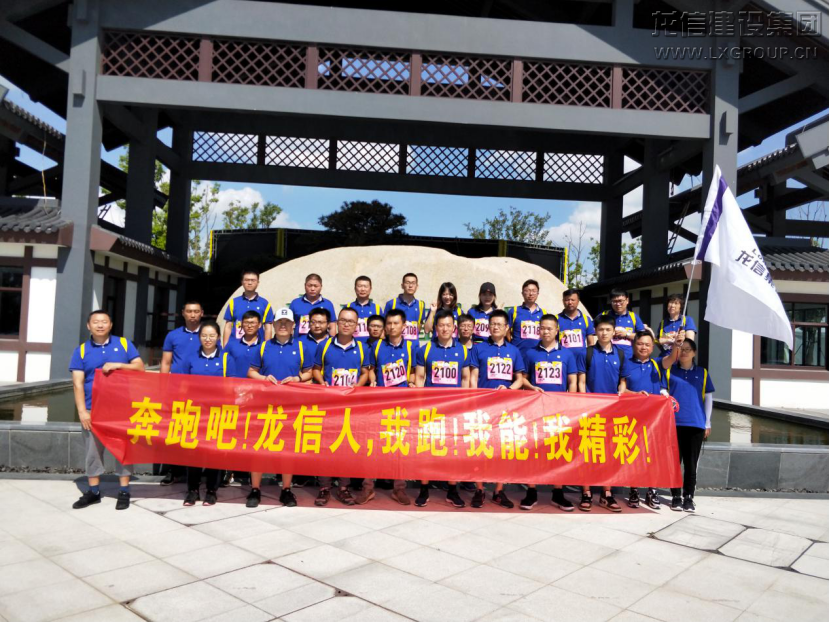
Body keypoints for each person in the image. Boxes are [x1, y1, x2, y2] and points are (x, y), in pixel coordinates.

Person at [70, 310, 144, 511]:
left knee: (123, 450)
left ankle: (124, 491)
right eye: (96, 322)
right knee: (92, 451)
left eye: (104, 321)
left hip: (122, 408)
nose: (100, 325)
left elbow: (140, 367)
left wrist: (118, 365)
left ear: (111, 325)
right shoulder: (81, 350)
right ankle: (93, 492)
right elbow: (77, 383)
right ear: (89, 326)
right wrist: (82, 411)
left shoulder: (124, 344)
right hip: (93, 409)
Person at [247, 308, 312, 508]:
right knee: (259, 447)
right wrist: (264, 378)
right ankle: (255, 489)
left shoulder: (301, 347)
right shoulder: (263, 346)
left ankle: (286, 489)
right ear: (273, 325)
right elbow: (251, 371)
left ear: (293, 326)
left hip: (291, 407)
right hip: (264, 406)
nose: (283, 325)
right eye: (279, 322)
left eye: (287, 322)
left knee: (287, 449)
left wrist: (297, 378)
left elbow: (309, 373)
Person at [520, 314, 580, 511]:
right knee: (534, 449)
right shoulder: (530, 353)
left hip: (559, 410)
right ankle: (531, 490)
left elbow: (572, 382)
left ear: (557, 330)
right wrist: (532, 388)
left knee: (559, 450)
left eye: (549, 328)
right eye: (542, 328)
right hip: (536, 410)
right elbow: (523, 379)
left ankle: (558, 491)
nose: (545, 332)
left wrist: (570, 404)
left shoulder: (567, 355)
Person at [312, 307, 371, 506]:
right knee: (326, 446)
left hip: (351, 407)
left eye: (351, 321)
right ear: (337, 323)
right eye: (343, 320)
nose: (346, 324)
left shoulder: (363, 348)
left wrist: (357, 387)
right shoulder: (324, 345)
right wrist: (322, 382)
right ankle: (324, 487)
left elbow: (365, 372)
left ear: (356, 326)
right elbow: (316, 369)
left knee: (346, 446)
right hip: (329, 406)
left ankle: (344, 487)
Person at [619, 329, 684, 509]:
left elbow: (672, 358)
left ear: (652, 347)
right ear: (634, 345)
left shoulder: (657, 364)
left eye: (647, 344)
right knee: (633, 454)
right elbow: (621, 390)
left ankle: (651, 490)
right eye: (640, 344)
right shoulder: (626, 364)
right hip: (632, 417)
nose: (644, 347)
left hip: (654, 420)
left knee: (653, 455)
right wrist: (636, 394)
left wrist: (677, 345)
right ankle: (633, 490)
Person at [413, 309, 471, 509]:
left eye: (448, 325)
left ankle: (452, 489)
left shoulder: (463, 350)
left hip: (454, 410)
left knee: (453, 450)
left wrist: (464, 405)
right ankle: (424, 488)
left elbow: (465, 379)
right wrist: (420, 404)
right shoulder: (425, 350)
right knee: (427, 449)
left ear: (454, 328)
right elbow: (420, 378)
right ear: (435, 328)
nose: (445, 329)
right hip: (431, 408)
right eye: (441, 325)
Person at [357, 309, 415, 506]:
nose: (392, 327)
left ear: (404, 326)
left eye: (396, 323)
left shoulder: (411, 347)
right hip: (379, 405)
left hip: (402, 406)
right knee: (373, 446)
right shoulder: (376, 346)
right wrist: (373, 381)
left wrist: (412, 382)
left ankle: (399, 488)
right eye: (389, 323)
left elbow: (413, 372)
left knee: (399, 447)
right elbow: (371, 369)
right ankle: (368, 488)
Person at [469, 310, 525, 509]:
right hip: (483, 407)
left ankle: (499, 490)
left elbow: (520, 379)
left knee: (502, 448)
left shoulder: (514, 351)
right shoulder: (478, 348)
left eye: (500, 324)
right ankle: (479, 489)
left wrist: (508, 390)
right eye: (492, 324)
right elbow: (473, 377)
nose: (495, 327)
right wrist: (476, 399)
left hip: (505, 407)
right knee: (480, 448)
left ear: (507, 327)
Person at [181, 321, 236, 507]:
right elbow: (183, 384)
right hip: (195, 413)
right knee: (193, 452)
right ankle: (192, 490)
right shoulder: (191, 358)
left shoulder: (227, 359)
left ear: (218, 337)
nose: (208, 339)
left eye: (212, 335)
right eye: (204, 335)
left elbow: (232, 387)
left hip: (217, 413)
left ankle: (212, 490)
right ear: (199, 337)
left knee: (214, 453)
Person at [577, 314, 625, 513]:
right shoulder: (586, 353)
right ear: (595, 332)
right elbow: (581, 382)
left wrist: (621, 392)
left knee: (609, 454)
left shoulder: (620, 354)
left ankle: (607, 493)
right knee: (587, 454)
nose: (604, 333)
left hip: (612, 412)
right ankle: (586, 492)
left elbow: (622, 381)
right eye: (601, 329)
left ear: (613, 332)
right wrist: (584, 405)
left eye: (608, 329)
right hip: (590, 411)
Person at [665, 338, 714, 513]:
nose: (684, 352)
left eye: (688, 349)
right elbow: (664, 394)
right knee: (674, 463)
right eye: (681, 349)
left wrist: (707, 422)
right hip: (673, 424)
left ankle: (689, 497)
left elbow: (708, 398)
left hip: (696, 424)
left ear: (694, 353)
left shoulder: (702, 373)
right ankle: (676, 496)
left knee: (691, 464)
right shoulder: (670, 371)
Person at [158, 300, 203, 486]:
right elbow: (166, 362)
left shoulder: (208, 334)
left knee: (199, 432)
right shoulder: (173, 335)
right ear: (183, 313)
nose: (192, 315)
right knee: (175, 431)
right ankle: (173, 470)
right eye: (189, 311)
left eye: (196, 311)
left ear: (202, 313)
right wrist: (162, 387)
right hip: (177, 391)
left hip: (201, 392)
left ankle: (199, 470)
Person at [222, 270, 274, 346]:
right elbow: (228, 326)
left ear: (258, 283)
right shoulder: (233, 302)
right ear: (242, 282)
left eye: (253, 280)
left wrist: (267, 347)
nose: (250, 283)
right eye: (247, 280)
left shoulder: (265, 304)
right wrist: (225, 347)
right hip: (236, 345)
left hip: (257, 346)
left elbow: (268, 328)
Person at [289, 273, 337, 339]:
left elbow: (332, 326)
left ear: (321, 287)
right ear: (305, 286)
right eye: (310, 285)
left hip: (322, 343)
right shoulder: (295, 303)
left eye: (315, 286)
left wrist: (331, 342)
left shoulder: (328, 304)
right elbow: (289, 325)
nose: (312, 289)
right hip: (300, 343)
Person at [384, 273, 426, 347]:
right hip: (396, 346)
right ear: (402, 285)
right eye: (407, 282)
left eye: (413, 283)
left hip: (414, 347)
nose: (410, 286)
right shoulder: (391, 304)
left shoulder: (421, 305)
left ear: (417, 286)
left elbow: (420, 325)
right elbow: (385, 326)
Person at [507, 279, 547, 356]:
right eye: (527, 291)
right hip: (518, 354)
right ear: (522, 293)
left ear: (538, 293)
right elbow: (506, 330)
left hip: (538, 355)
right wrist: (511, 344)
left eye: (533, 291)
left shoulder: (543, 313)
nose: (531, 294)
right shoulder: (514, 311)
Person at [557, 289, 596, 367]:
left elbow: (590, 343)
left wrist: (590, 358)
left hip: (581, 362)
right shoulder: (556, 319)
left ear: (578, 301)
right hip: (563, 361)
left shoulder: (586, 319)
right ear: (563, 301)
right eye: (567, 300)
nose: (570, 302)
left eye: (572, 300)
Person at [602, 289, 645, 359]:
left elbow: (643, 337)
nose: (618, 304)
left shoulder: (633, 317)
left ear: (627, 300)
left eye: (620, 301)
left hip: (628, 358)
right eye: (614, 301)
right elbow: (593, 331)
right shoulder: (604, 315)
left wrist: (627, 334)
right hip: (607, 357)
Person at [224, 310, 264, 379]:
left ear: (259, 325)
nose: (249, 326)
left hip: (257, 385)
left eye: (252, 323)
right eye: (246, 323)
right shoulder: (231, 345)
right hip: (234, 384)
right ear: (241, 324)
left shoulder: (265, 346)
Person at [348, 276, 383, 343]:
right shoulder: (348, 307)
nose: (362, 289)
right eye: (360, 286)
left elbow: (382, 331)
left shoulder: (377, 308)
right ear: (355, 289)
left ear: (370, 289)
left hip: (372, 345)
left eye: (365, 286)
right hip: (353, 345)